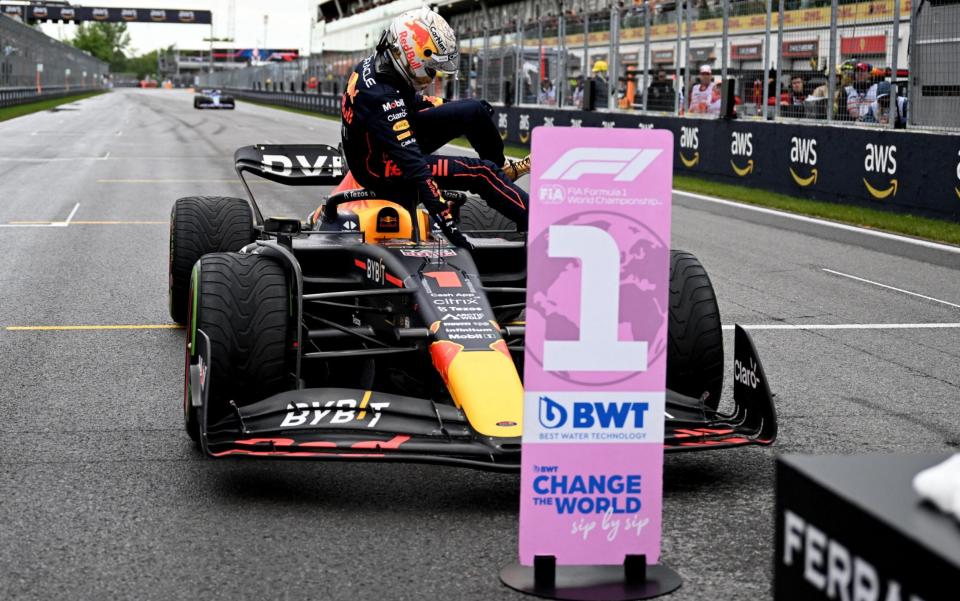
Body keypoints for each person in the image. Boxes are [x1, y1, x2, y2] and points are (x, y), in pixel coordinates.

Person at [338, 7, 530, 248]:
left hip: (381, 141)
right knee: (482, 173)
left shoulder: (383, 65)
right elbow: (415, 166)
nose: (432, 76)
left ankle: (503, 173)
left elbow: (412, 104)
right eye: (430, 68)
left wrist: (452, 108)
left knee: (474, 111)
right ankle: (539, 222)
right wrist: (444, 218)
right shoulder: (382, 96)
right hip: (380, 167)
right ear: (414, 55)